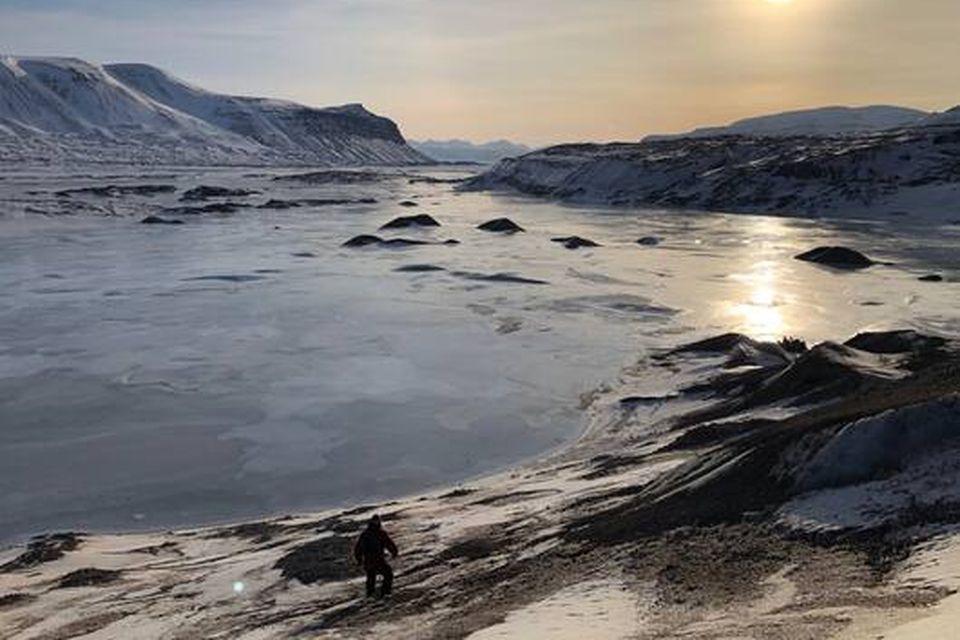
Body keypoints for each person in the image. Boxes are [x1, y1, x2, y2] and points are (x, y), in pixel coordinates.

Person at [353, 515, 399, 599]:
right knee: (374, 576)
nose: (376, 522)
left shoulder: (379, 533)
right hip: (372, 559)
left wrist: (394, 551)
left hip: (377, 559)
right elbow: (359, 548)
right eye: (375, 521)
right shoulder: (367, 534)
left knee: (385, 574)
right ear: (371, 522)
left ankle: (382, 593)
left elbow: (389, 543)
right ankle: (377, 594)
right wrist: (359, 559)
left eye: (377, 521)